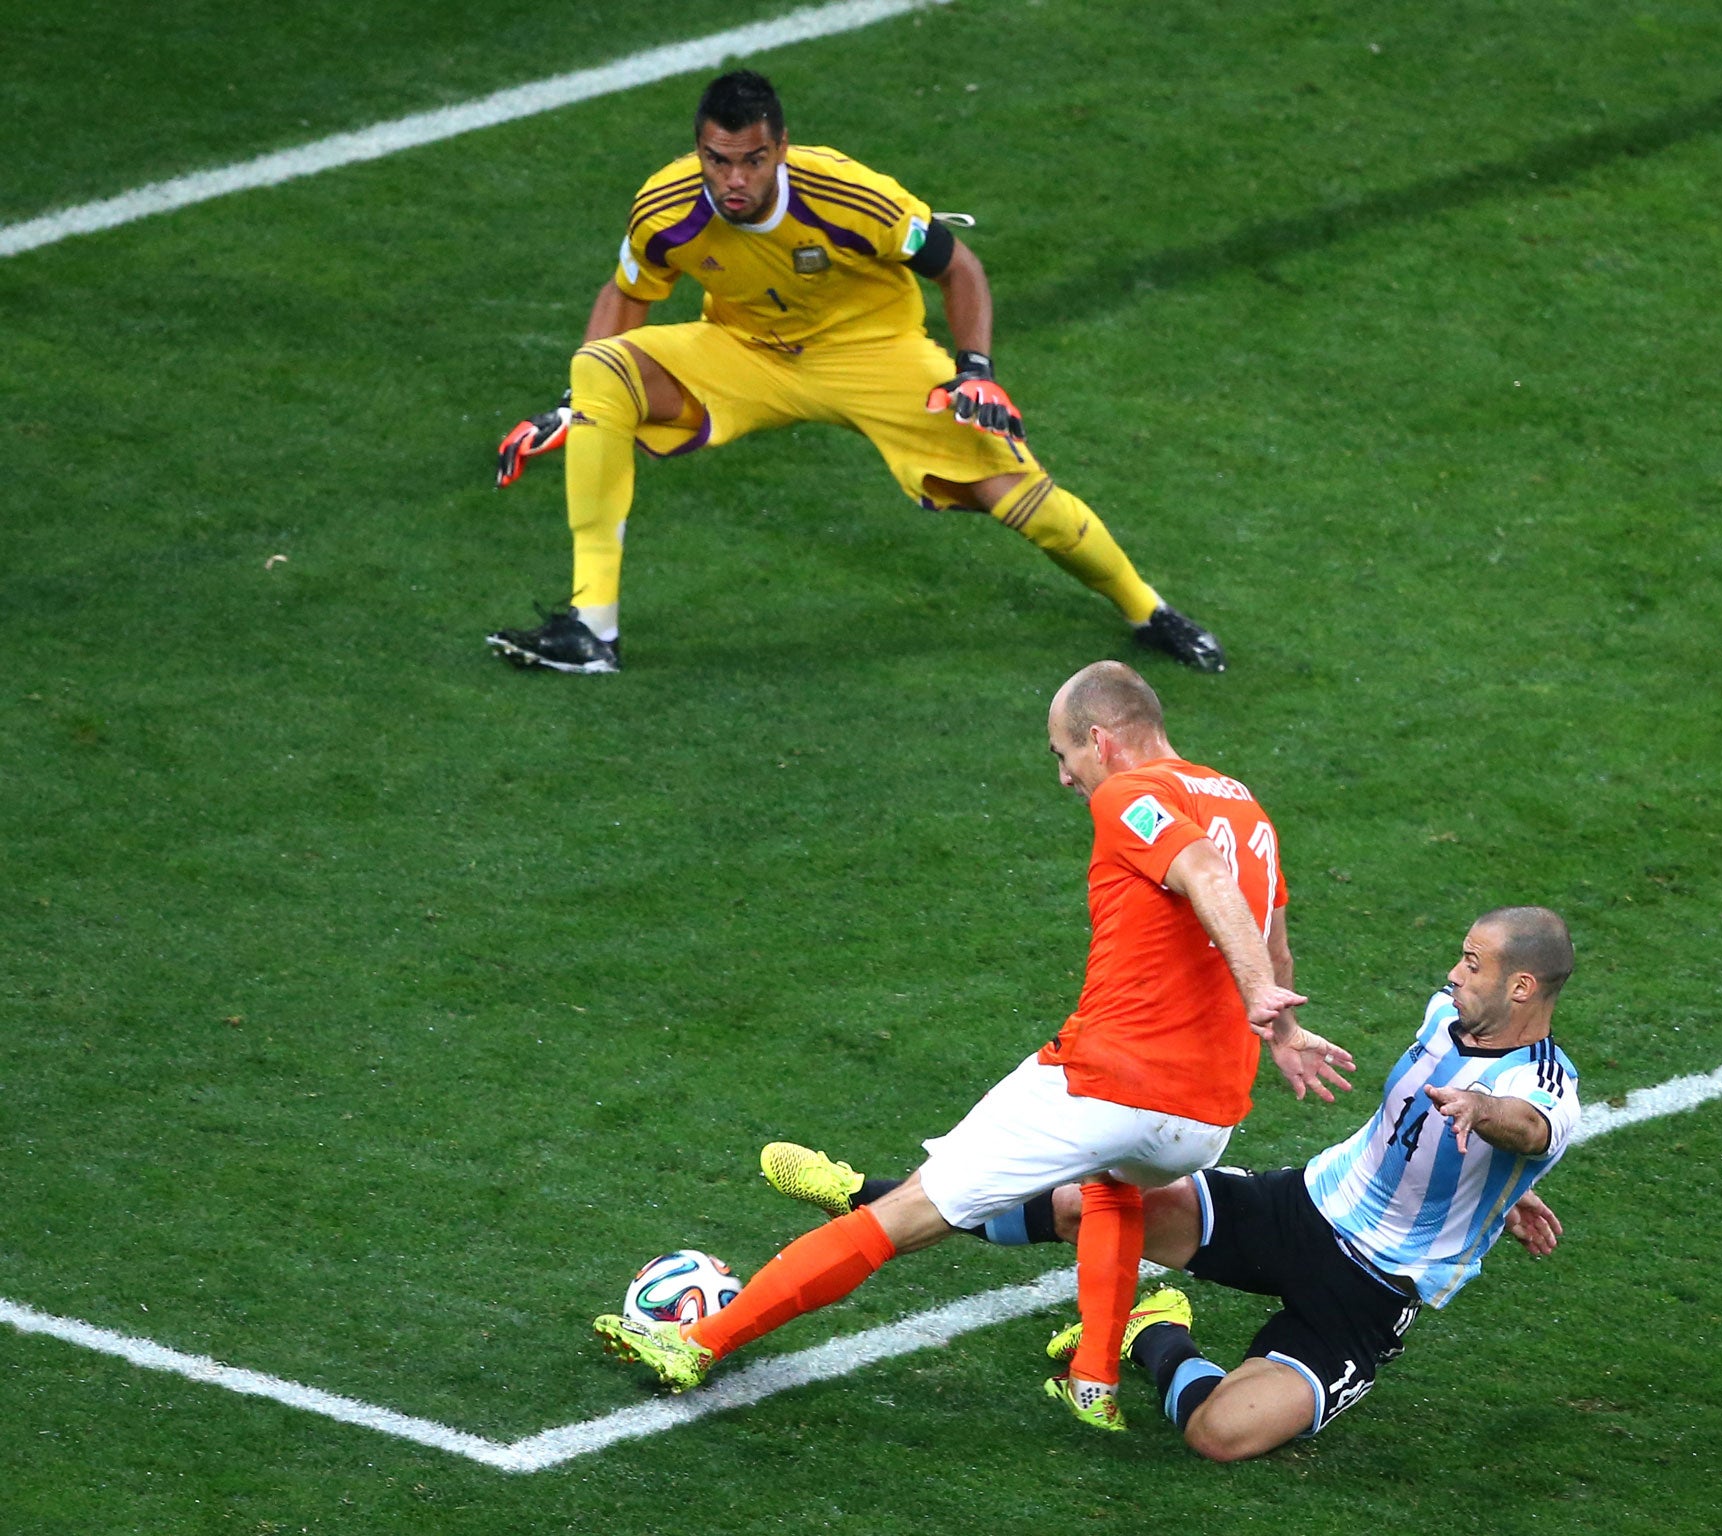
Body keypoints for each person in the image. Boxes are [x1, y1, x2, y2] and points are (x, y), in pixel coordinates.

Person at [593, 660, 1351, 1425]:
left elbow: (1204, 876)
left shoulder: (1132, 793)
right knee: (1112, 1187)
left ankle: (697, 1343)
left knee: (907, 1212)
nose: (1065, 778)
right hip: (1204, 1119)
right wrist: (1281, 1031)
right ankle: (1094, 1382)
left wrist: (1259, 996)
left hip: (1110, 1080)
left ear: (1101, 739)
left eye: (1063, 755)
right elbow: (1274, 940)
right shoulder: (1244, 804)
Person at [766, 906, 1579, 1459]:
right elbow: (1437, 1134)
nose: (1453, 971)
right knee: (1084, 1203)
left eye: (1472, 963)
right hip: (1302, 1206)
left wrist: (1493, 1125)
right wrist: (1505, 1188)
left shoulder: (1548, 1082)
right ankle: (868, 1195)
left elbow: (1531, 1126)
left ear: (1521, 987)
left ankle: (1153, 1330)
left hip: (1369, 1292)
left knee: (1219, 1435)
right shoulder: (1447, 1015)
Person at [487, 69, 1224, 675]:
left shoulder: (849, 196)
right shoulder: (665, 208)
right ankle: (592, 629)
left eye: (751, 159)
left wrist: (976, 371)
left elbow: (958, 267)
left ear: (781, 149)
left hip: (872, 352)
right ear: (699, 151)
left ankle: (1147, 610)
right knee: (601, 371)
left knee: (1017, 494)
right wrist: (569, 403)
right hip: (746, 352)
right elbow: (626, 292)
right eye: (717, 159)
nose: (733, 179)